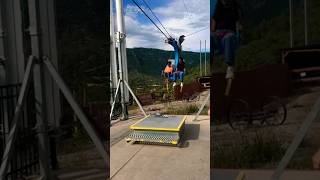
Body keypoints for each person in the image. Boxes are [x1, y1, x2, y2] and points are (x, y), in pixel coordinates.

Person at [211, 0, 242, 79]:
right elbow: (214, 21)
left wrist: (239, 32)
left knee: (229, 38)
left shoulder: (234, 8)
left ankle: (230, 67)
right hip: (218, 34)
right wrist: (212, 32)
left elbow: (237, 22)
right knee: (210, 38)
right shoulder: (219, 7)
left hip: (229, 33)